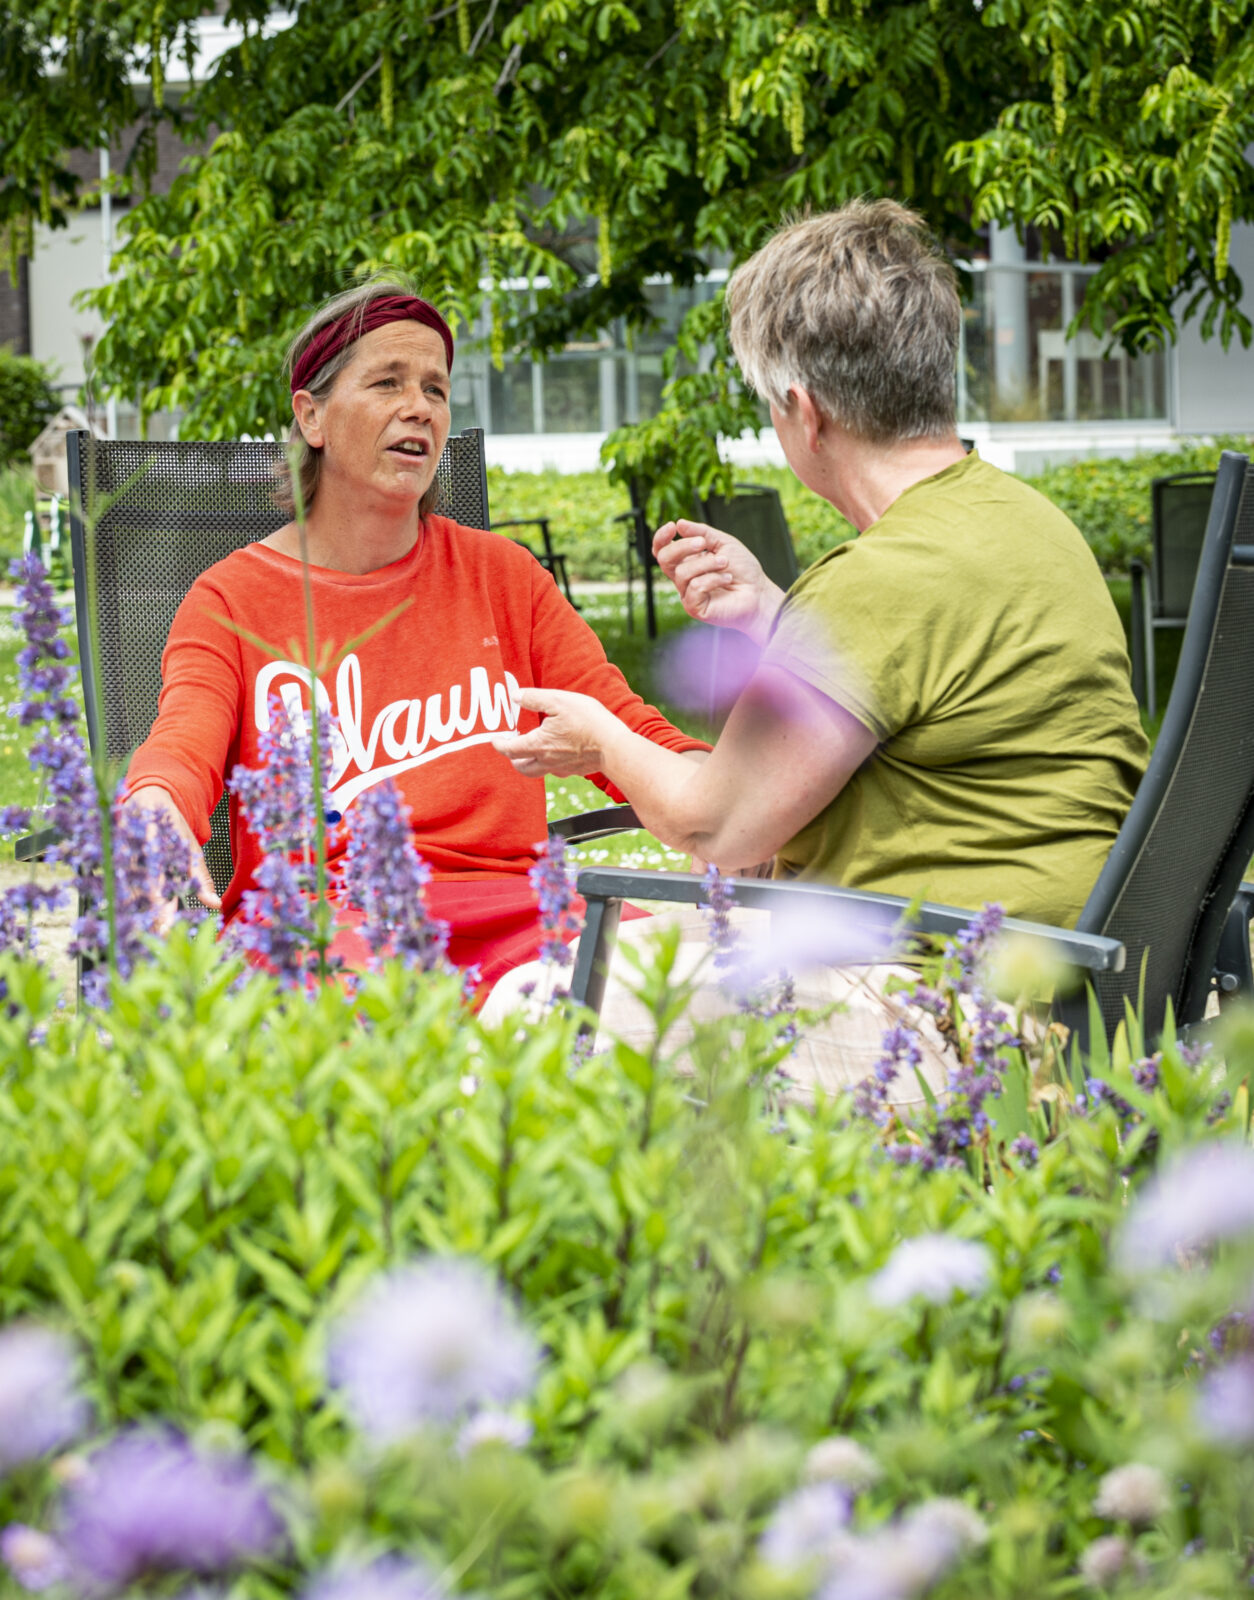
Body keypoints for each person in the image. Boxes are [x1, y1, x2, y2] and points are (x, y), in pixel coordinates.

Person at [489, 200, 1149, 1088]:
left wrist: (599, 739)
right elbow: (935, 685)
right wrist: (779, 616)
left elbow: (717, 829)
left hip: (952, 1014)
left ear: (804, 410)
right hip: (1078, 985)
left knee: (528, 1008)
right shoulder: (1026, 523)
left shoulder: (880, 581)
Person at [122, 277, 708, 987]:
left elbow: (625, 730)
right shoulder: (232, 599)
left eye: (435, 389)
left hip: (523, 918)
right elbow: (181, 747)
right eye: (387, 383)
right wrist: (154, 810)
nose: (419, 408)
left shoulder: (504, 577)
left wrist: (726, 799)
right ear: (312, 416)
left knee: (687, 987)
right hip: (333, 926)